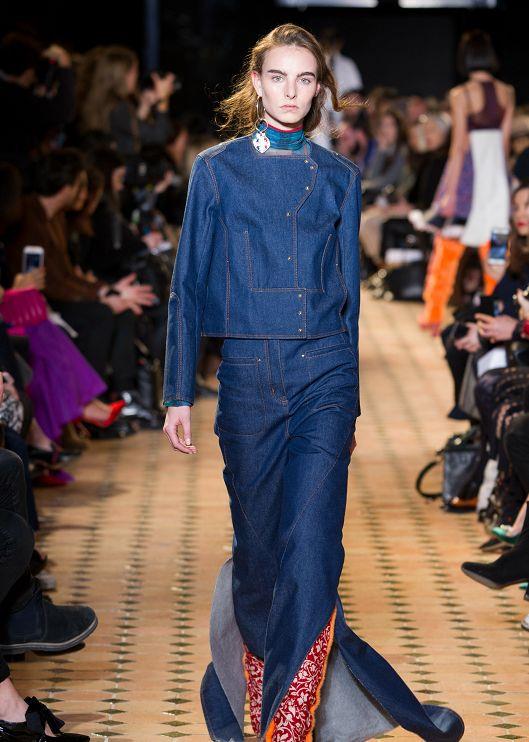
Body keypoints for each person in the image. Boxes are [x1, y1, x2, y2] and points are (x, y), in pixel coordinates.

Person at [162, 23, 464, 742]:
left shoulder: (339, 178)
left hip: (323, 373)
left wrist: (349, 402)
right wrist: (177, 390)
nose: (292, 92)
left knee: (314, 546)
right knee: (260, 555)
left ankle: (286, 723)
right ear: (256, 82)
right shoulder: (216, 170)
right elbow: (187, 284)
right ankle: (267, 692)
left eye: (305, 79)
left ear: (321, 88)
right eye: (279, 77)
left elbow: (350, 300)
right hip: (247, 375)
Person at [419, 30, 514, 335]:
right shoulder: (507, 92)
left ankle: (433, 316)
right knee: (496, 253)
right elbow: (504, 146)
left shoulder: (461, 94)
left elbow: (459, 147)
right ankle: (498, 315)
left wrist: (447, 193)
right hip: (496, 183)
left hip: (468, 183)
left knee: (446, 253)